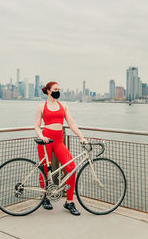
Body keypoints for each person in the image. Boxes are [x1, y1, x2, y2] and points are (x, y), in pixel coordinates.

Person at [34, 81, 88, 216]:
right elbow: (36, 126)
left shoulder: (63, 105)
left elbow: (71, 122)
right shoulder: (41, 106)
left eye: (59, 89)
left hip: (58, 141)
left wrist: (81, 137)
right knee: (45, 170)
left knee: (71, 168)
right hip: (45, 141)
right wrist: (41, 136)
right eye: (55, 89)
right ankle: (44, 198)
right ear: (48, 91)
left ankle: (69, 202)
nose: (58, 91)